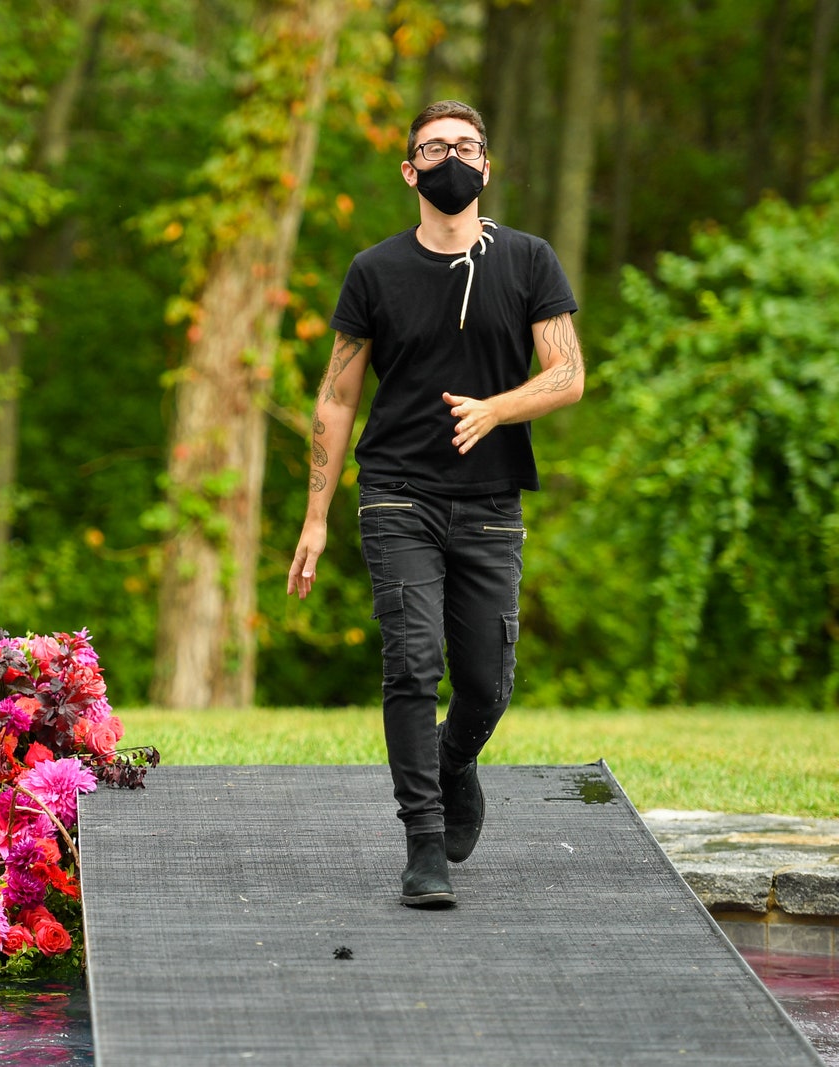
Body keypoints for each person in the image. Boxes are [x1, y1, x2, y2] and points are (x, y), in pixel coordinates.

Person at [285, 100, 585, 908]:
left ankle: (454, 763)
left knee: (486, 684)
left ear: (486, 164)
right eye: (433, 147)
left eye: (465, 145)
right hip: (397, 495)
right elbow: (337, 396)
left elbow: (568, 374)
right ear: (409, 169)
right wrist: (315, 517)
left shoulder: (528, 260)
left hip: (490, 501)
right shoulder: (374, 270)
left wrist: (495, 410)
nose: (451, 158)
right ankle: (423, 842)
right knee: (412, 665)